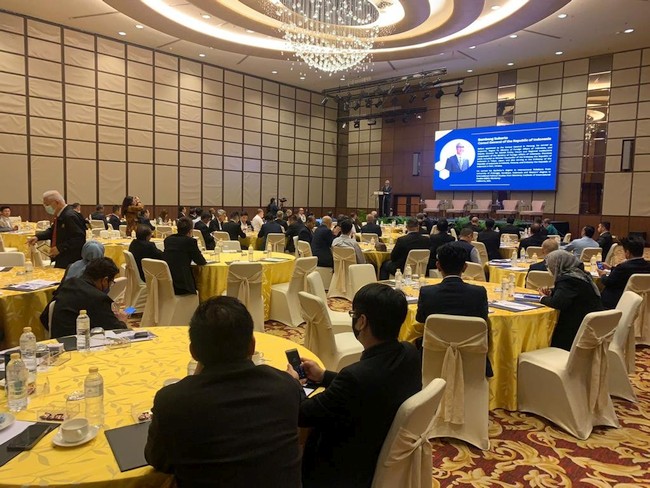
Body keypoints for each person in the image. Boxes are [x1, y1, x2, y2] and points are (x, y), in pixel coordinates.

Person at [145, 296, 302, 488]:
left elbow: (157, 460)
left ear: (193, 352)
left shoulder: (172, 401)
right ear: (252, 346)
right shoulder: (285, 386)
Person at [294, 283, 421, 488]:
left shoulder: (355, 376)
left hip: (343, 466)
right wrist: (324, 376)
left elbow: (303, 414)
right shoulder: (409, 352)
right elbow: (367, 386)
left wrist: (293, 384)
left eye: (353, 314)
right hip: (381, 442)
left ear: (362, 322)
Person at [416, 243, 492, 376]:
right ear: (465, 267)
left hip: (433, 355)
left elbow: (420, 319)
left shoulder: (427, 293)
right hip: (472, 357)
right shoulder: (478, 293)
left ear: (438, 266)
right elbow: (483, 319)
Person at [40, 257, 127, 338]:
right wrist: (122, 320)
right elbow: (118, 331)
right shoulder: (97, 298)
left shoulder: (69, 283)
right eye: (111, 283)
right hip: (77, 343)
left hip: (57, 339)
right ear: (104, 280)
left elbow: (44, 317)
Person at [539, 250, 604, 351]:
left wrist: (542, 298)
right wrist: (552, 292)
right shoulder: (580, 274)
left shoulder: (567, 280)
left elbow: (558, 303)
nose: (549, 268)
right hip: (593, 321)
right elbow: (570, 293)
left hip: (576, 328)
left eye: (550, 265)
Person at [28, 191, 86, 269]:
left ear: (56, 202)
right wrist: (38, 237)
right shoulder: (62, 215)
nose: (46, 208)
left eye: (47, 204)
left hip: (70, 260)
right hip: (62, 257)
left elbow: (79, 238)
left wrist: (60, 248)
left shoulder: (70, 216)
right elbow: (52, 231)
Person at [598, 237, 650, 309]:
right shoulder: (647, 266)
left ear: (627, 253)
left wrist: (602, 274)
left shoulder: (623, 267)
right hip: (642, 302)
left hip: (616, 301)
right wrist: (611, 268)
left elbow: (608, 282)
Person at [164, 217, 207, 295]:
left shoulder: (168, 240)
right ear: (190, 231)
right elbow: (201, 261)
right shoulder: (190, 241)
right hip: (183, 285)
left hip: (167, 282)